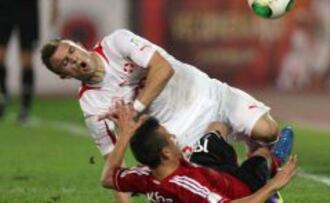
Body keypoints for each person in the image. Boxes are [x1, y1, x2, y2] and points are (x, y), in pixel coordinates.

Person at [41, 29, 283, 202]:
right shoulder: (92, 105)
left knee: (268, 131)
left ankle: (260, 162)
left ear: (79, 45)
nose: (73, 59)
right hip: (181, 133)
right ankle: (261, 182)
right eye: (65, 63)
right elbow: (113, 163)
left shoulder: (117, 43)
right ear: (64, 75)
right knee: (212, 190)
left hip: (207, 92)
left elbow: (163, 69)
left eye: (71, 51)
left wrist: (134, 110)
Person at [101, 101, 297, 203]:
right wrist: (273, 185)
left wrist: (124, 137)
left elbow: (108, 178)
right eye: (170, 138)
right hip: (239, 190)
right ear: (166, 154)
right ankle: (274, 162)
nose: (174, 138)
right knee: (262, 154)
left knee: (216, 127)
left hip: (205, 169)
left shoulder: (145, 174)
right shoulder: (188, 187)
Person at [0, 0, 59, 123]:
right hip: (5, 6)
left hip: (27, 8)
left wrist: (54, 6)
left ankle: (25, 108)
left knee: (26, 58)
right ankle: (3, 95)